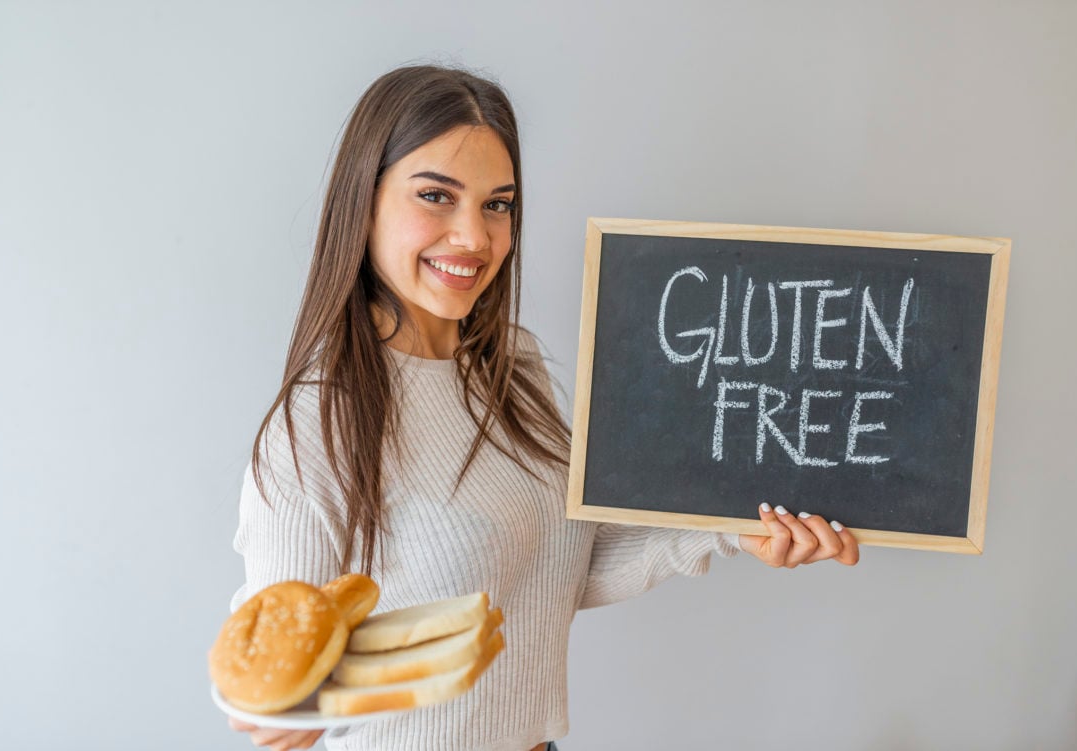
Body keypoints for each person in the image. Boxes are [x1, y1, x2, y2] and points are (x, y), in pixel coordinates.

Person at [225, 63, 859, 751]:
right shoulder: (318, 422)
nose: (475, 236)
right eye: (436, 195)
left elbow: (559, 571)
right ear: (363, 200)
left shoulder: (511, 366)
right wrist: (302, 699)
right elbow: (271, 695)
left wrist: (733, 532)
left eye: (498, 204)